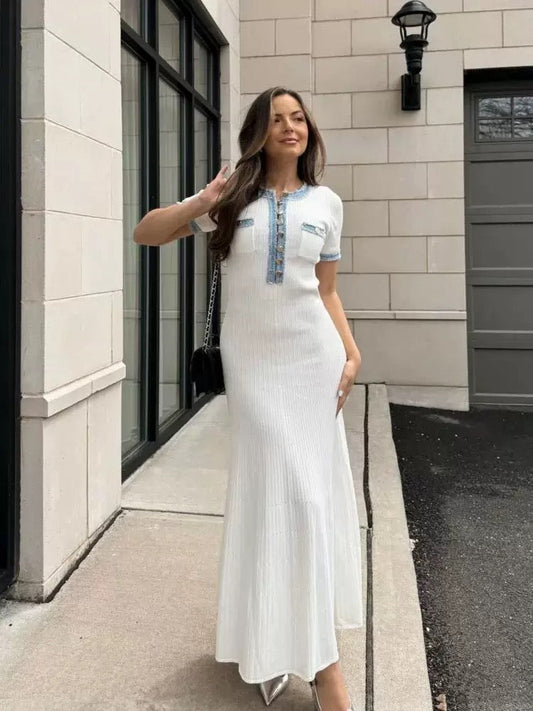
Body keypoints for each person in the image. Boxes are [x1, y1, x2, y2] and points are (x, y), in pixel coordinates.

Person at [134, 86, 363, 711]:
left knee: (308, 500)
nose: (290, 127)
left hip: (314, 363)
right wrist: (200, 202)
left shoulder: (327, 204)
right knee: (280, 497)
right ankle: (304, 658)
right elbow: (146, 233)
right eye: (277, 119)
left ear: (309, 131)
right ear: (258, 132)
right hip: (255, 371)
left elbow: (326, 291)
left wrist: (352, 353)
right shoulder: (233, 199)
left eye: (299, 118)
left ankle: (314, 658)